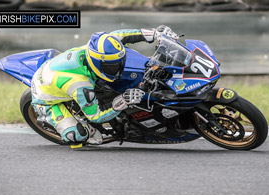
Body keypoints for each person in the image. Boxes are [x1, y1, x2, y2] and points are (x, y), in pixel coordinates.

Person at [31, 25, 178, 148]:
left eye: (119, 61)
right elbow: (96, 116)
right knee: (80, 136)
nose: (118, 67)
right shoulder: (79, 84)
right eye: (112, 66)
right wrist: (124, 100)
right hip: (44, 97)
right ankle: (51, 119)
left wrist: (155, 33)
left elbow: (121, 35)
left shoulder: (101, 47)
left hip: (55, 73)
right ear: (98, 63)